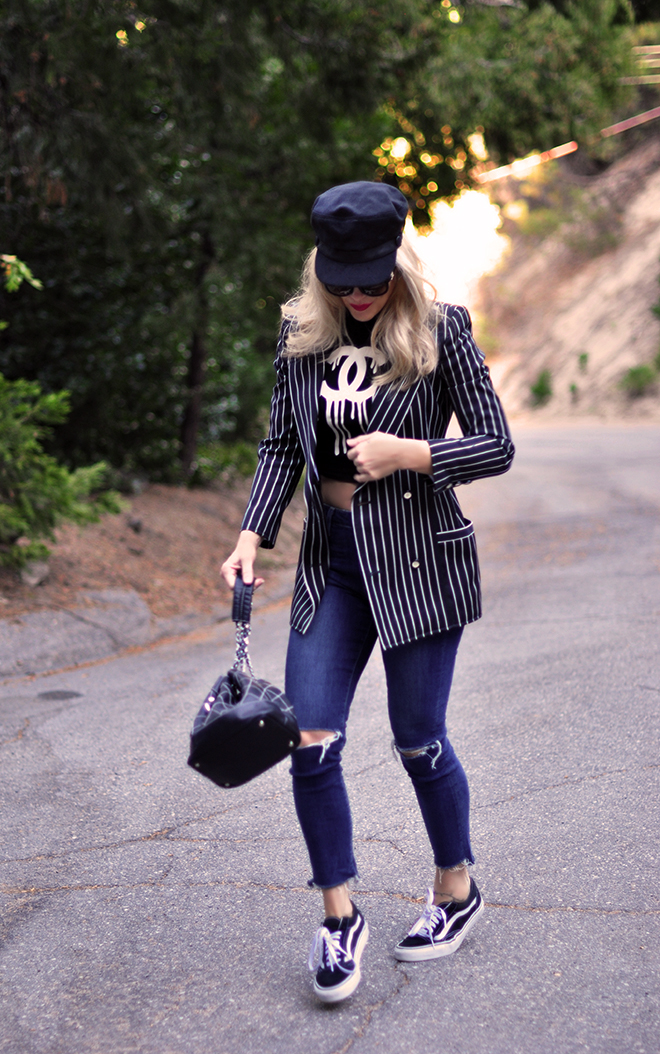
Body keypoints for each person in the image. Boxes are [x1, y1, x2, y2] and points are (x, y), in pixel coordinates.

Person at [221, 181, 514, 1004]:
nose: (355, 296)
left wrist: (412, 453)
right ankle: (338, 916)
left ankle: (456, 890)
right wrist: (252, 534)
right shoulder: (300, 334)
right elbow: (282, 441)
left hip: (420, 560)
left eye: (371, 281)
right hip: (332, 565)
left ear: (398, 266)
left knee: (419, 740)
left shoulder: (443, 329)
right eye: (341, 279)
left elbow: (496, 444)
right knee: (310, 740)